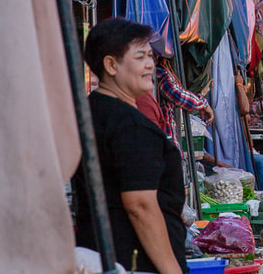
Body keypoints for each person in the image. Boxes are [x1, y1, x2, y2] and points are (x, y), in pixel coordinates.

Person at [73, 18, 187, 274]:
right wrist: (172, 270)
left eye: (150, 56)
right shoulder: (130, 126)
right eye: (140, 57)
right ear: (111, 65)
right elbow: (140, 206)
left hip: (101, 252)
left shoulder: (88, 111)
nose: (150, 65)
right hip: (134, 261)